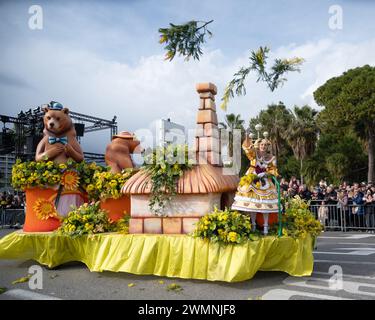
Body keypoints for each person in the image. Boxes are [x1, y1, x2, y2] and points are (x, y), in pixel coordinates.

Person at [231, 135, 279, 235]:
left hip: (264, 180)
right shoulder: (254, 154)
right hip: (252, 178)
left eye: (266, 145)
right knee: (252, 204)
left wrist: (265, 173)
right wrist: (247, 137)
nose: (263, 146)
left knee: (266, 205)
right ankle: (253, 225)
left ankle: (265, 227)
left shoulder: (272, 157)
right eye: (262, 144)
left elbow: (273, 170)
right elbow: (247, 149)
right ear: (259, 145)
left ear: (268, 147)